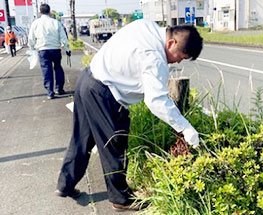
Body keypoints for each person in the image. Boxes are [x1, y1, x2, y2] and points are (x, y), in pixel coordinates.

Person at [55, 19, 203, 211]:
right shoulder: (155, 57)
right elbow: (156, 100)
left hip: (88, 79)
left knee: (81, 138)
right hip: (104, 93)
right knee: (115, 144)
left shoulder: (145, 25)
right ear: (171, 43)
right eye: (180, 56)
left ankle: (64, 185)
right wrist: (185, 127)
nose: (177, 61)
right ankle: (120, 198)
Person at [28, 3, 71, 100]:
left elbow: (31, 38)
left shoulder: (35, 23)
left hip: (42, 50)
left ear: (40, 12)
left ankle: (50, 92)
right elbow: (63, 38)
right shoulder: (56, 22)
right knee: (58, 68)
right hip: (55, 49)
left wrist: (32, 48)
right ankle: (59, 88)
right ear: (49, 12)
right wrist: (67, 49)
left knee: (47, 71)